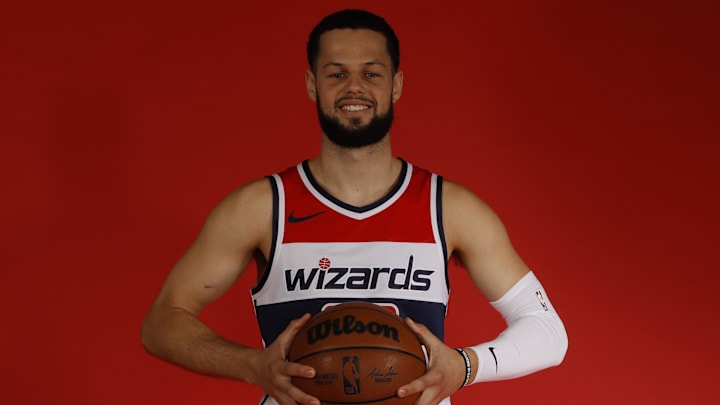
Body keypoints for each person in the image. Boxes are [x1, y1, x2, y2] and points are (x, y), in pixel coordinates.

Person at [141, 8, 568, 405]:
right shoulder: (262, 206)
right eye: (336, 73)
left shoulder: (450, 208)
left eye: (371, 72)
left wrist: (465, 366)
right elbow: (162, 323)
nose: (354, 87)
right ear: (312, 83)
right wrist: (251, 365)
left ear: (396, 83)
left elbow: (548, 332)